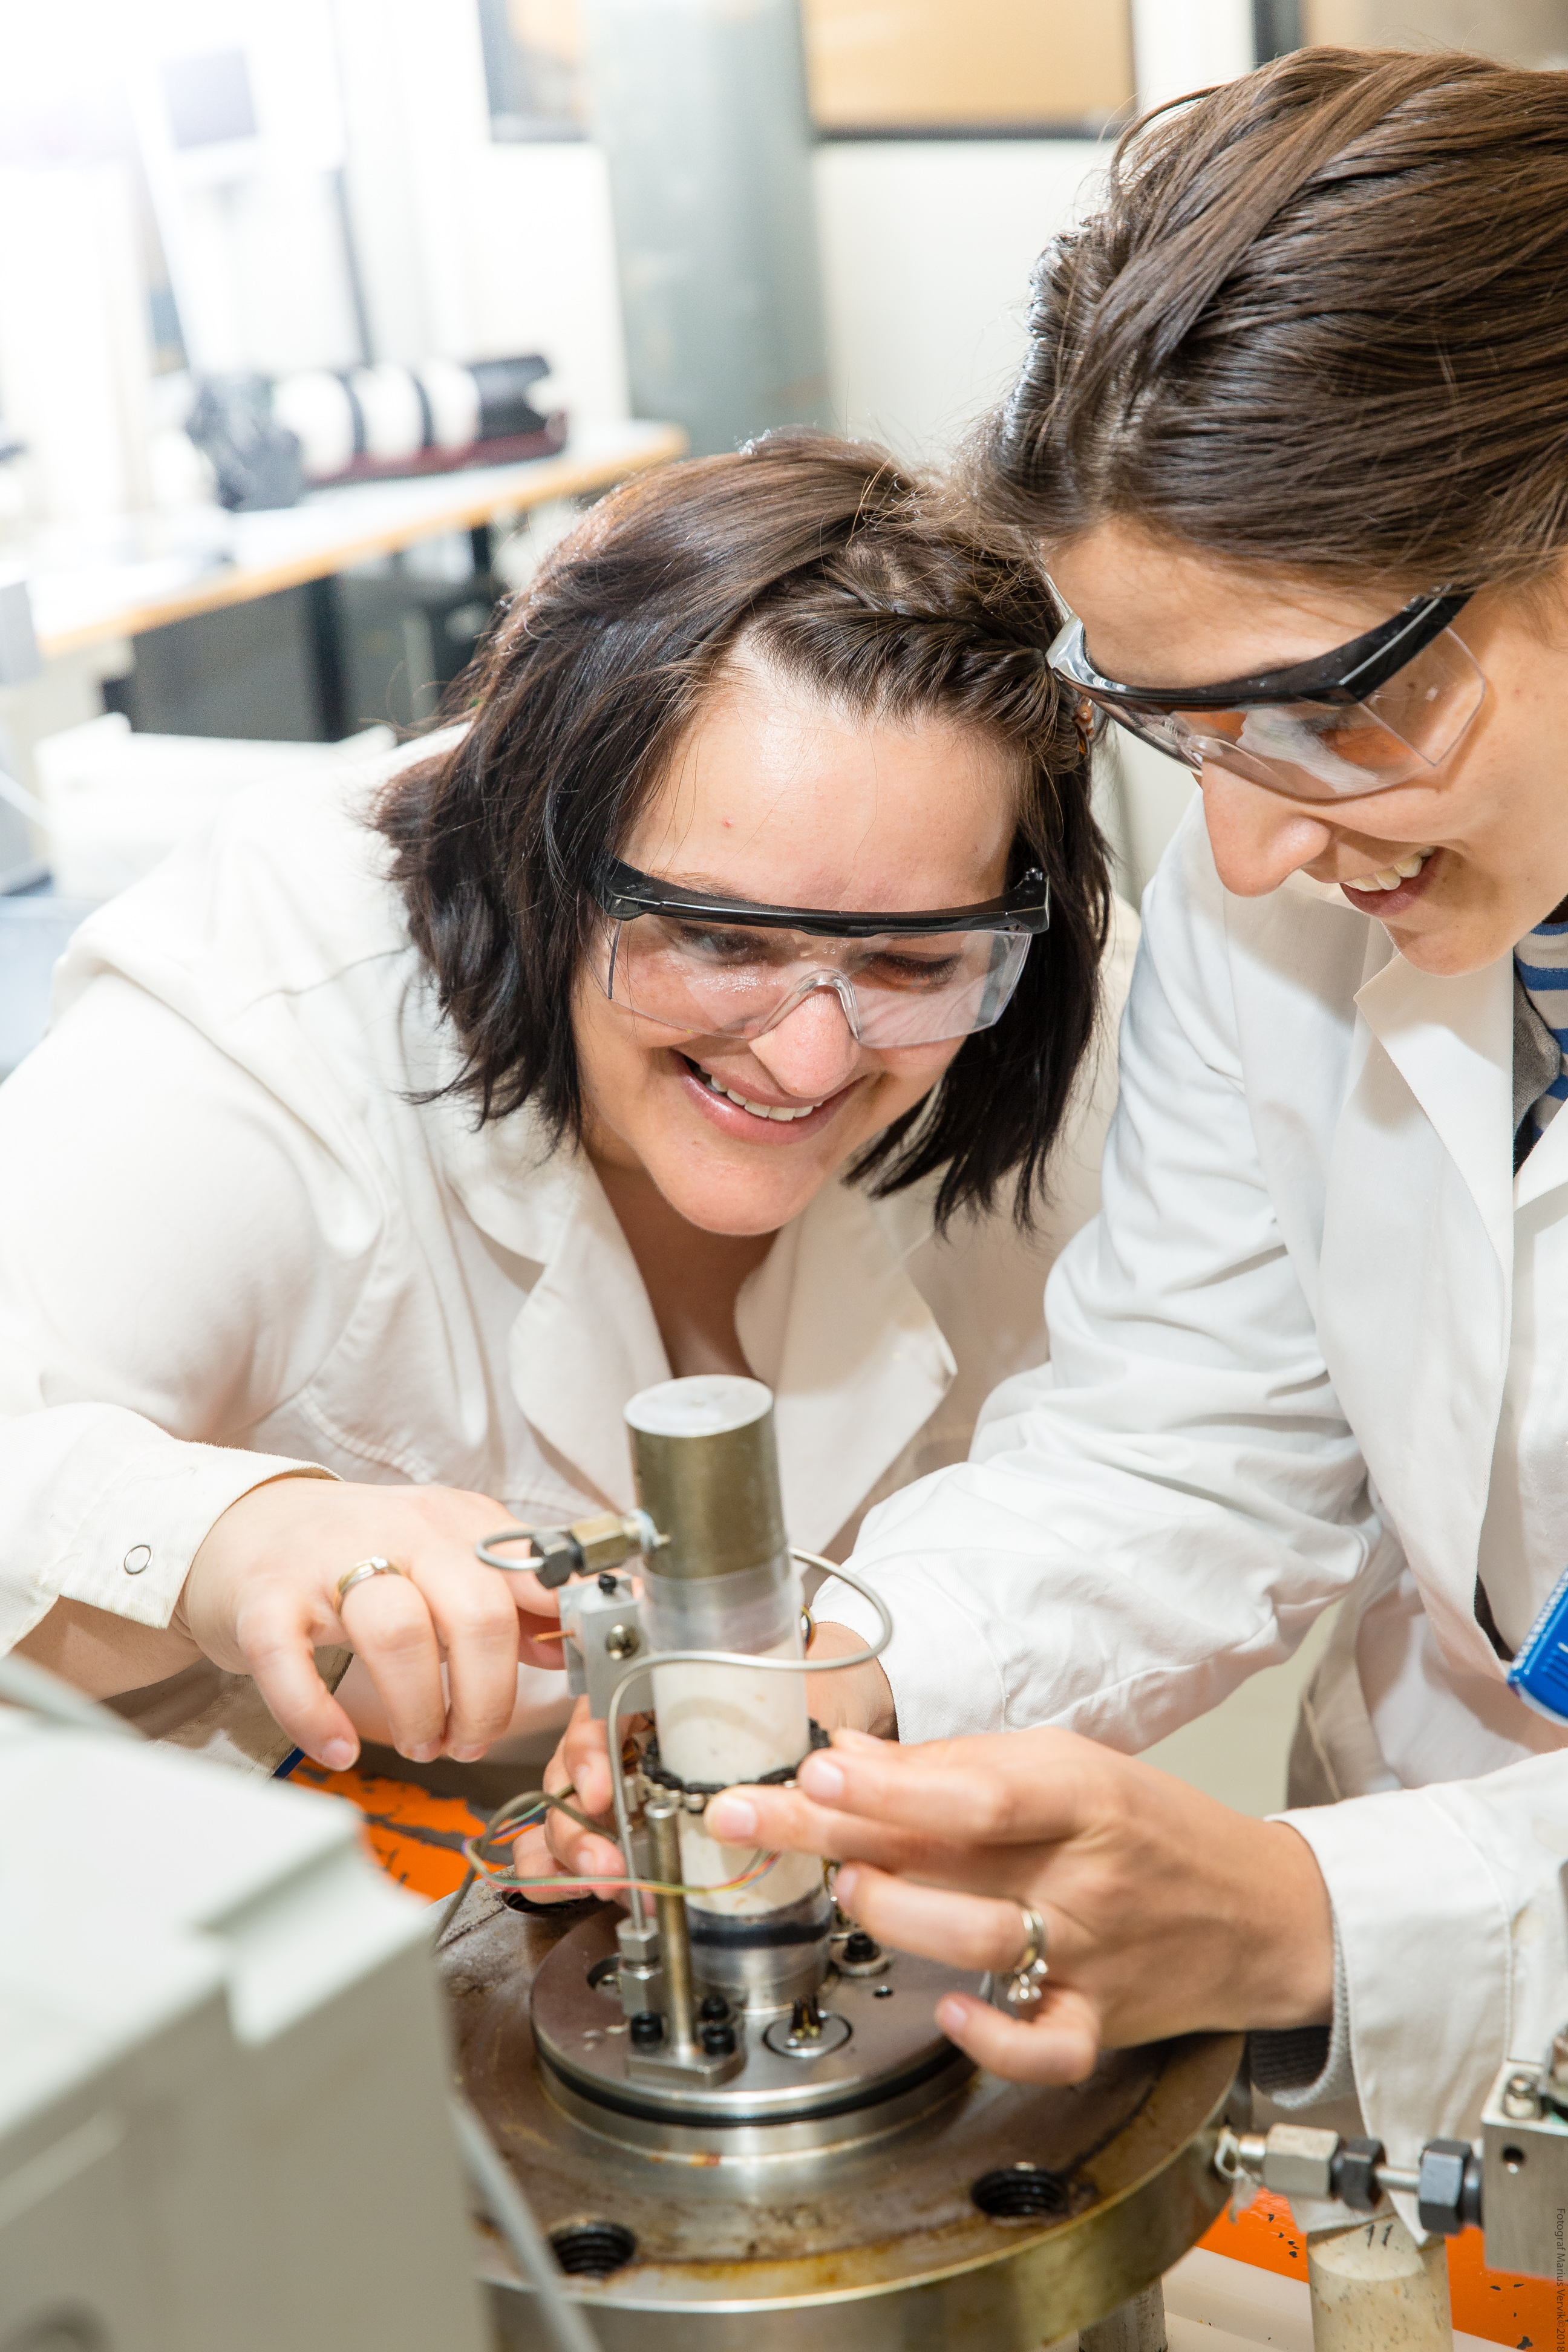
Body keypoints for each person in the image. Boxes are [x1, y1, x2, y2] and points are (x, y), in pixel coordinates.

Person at [547, 47, 1568, 2175]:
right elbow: (1191, 1419)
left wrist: (1304, 1907)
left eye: (1336, 709)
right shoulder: (1279, 856)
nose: (1257, 850)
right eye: (1174, 727)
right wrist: (847, 1694)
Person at [0, 434, 1131, 1774]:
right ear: (535, 859)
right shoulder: (266, 1018)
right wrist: (231, 1538)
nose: (814, 1060)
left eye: (906, 962)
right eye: (720, 943)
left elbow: (1157, 1477)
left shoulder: (1049, 1003)